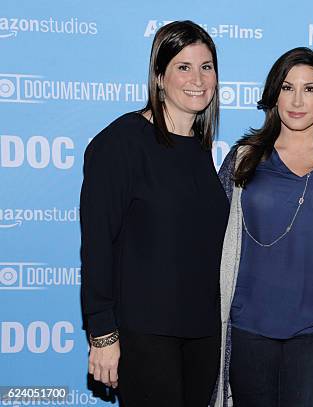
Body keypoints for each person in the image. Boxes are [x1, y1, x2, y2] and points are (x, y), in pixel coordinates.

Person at [80, 20, 228, 407]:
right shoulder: (121, 143)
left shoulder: (199, 149)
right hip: (145, 334)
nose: (197, 79)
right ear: (160, 77)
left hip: (203, 334)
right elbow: (98, 244)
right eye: (184, 67)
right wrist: (103, 336)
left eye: (206, 67)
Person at [213, 47, 313, 407]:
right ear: (274, 94)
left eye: (310, 89)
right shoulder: (244, 158)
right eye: (287, 87)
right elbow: (212, 244)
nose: (297, 100)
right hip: (248, 329)